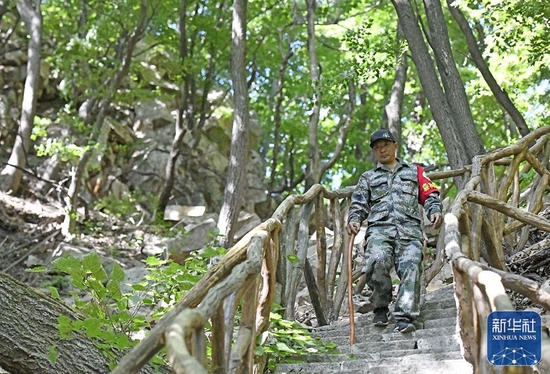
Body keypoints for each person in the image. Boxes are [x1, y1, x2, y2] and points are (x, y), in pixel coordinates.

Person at [346, 129, 442, 333]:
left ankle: (405, 317)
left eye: (386, 145)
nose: (382, 150)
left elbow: (430, 194)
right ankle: (381, 306)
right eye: (377, 148)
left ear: (395, 146)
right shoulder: (368, 177)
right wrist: (354, 219)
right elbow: (358, 204)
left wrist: (434, 210)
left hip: (409, 231)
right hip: (379, 231)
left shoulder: (415, 171)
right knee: (376, 262)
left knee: (411, 267)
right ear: (374, 152)